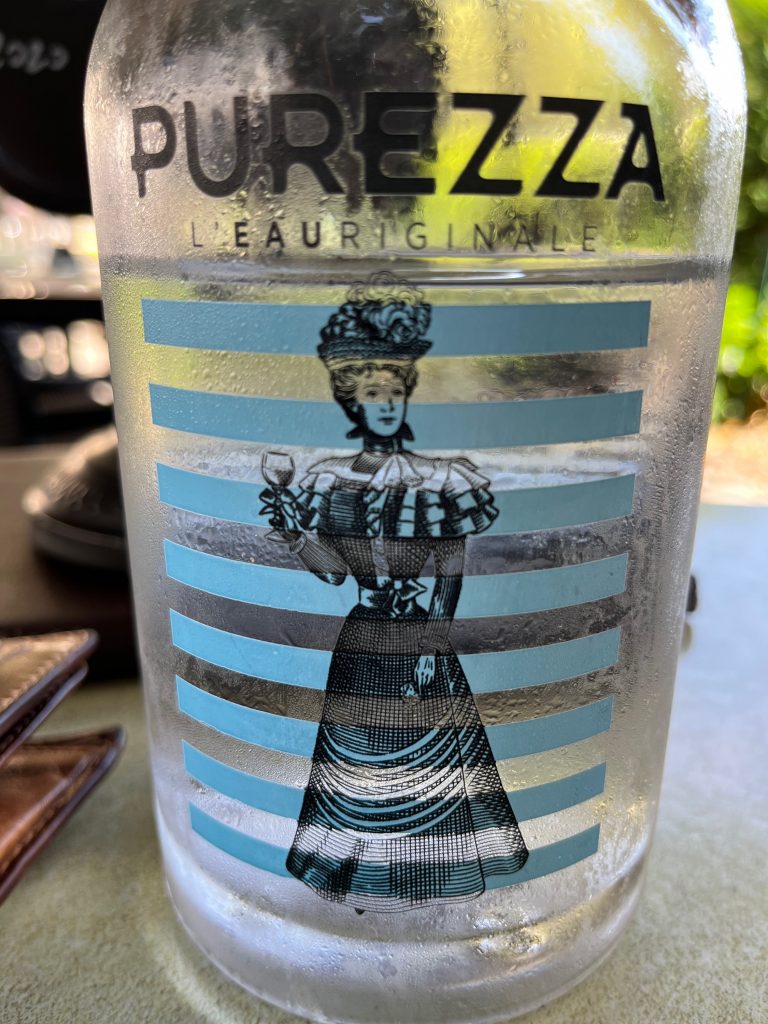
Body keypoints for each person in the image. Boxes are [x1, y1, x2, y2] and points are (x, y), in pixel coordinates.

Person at [260, 273, 528, 912]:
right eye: (372, 393)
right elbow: (333, 573)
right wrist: (293, 533)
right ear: (352, 402)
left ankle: (429, 884)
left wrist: (433, 644)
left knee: (431, 765)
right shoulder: (327, 480)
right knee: (359, 761)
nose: (385, 404)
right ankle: (362, 885)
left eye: (394, 392)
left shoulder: (439, 479)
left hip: (419, 639)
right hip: (362, 639)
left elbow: (450, 570)